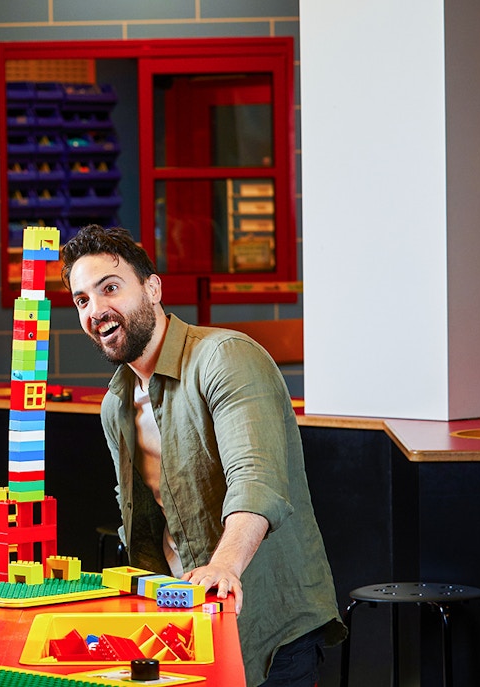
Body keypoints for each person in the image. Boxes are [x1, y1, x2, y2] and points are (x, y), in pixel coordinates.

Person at [60, 225, 345, 686]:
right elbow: (143, 523)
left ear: (152, 288)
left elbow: (256, 479)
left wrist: (223, 566)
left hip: (267, 628)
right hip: (180, 625)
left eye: (110, 288)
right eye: (82, 300)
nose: (96, 309)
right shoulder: (115, 404)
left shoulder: (224, 357)